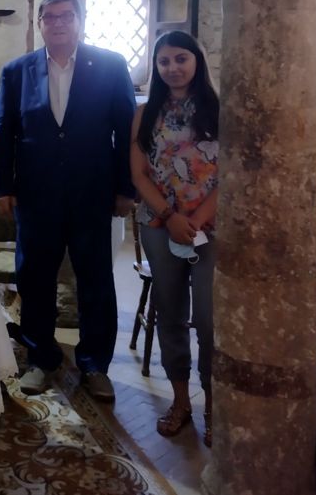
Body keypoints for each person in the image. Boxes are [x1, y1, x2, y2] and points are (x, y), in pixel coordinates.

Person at [0, 0, 135, 400]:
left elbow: (126, 132)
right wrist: (2, 185)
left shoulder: (110, 66)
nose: (57, 23)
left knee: (95, 280)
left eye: (65, 16)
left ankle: (95, 364)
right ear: (39, 24)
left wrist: (125, 188)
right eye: (49, 17)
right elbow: (3, 130)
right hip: (36, 195)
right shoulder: (17, 72)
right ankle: (41, 358)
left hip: (93, 193)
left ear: (79, 21)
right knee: (35, 278)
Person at [130, 30, 218, 446]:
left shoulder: (219, 110)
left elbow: (233, 172)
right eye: (164, 61)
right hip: (159, 225)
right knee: (170, 314)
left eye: (181, 58)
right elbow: (138, 174)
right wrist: (169, 216)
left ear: (196, 60)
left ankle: (215, 405)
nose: (172, 68)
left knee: (209, 319)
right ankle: (180, 402)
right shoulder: (145, 113)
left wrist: (196, 218)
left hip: (209, 228)